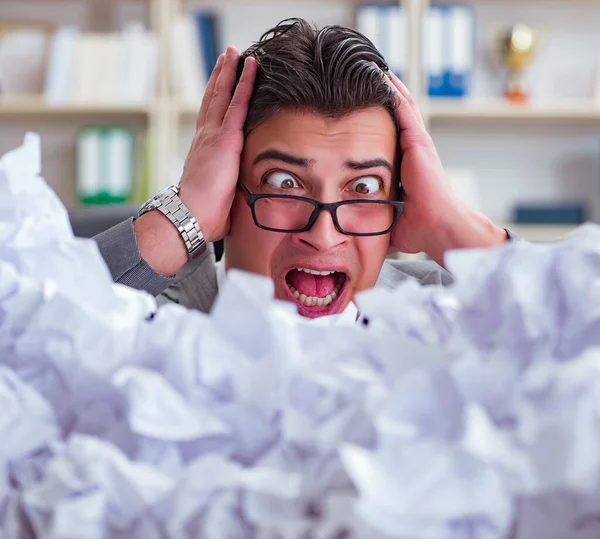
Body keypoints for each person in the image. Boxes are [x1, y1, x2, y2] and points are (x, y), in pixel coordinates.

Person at [95, 18, 510, 321]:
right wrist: (185, 216)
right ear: (226, 195)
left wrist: (452, 228)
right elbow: (33, 341)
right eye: (284, 183)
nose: (322, 235)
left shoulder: (452, 309)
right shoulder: (141, 313)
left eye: (363, 187)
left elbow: (571, 339)